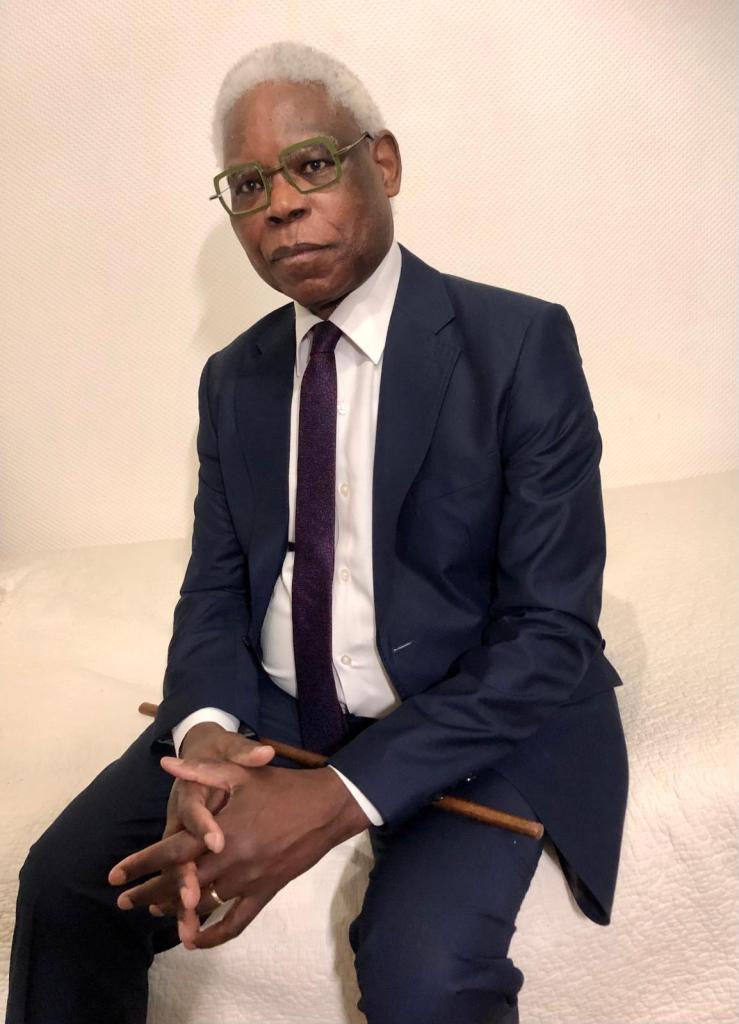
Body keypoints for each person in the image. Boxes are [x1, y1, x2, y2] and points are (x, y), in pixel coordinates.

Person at [5, 40, 629, 1024]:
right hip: (278, 710)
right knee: (70, 885)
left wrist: (337, 796)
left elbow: (551, 633)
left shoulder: (517, 344)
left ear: (381, 163)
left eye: (310, 165)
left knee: (423, 975)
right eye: (249, 184)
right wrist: (206, 735)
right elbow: (216, 589)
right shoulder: (233, 379)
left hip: (463, 712)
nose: (281, 206)